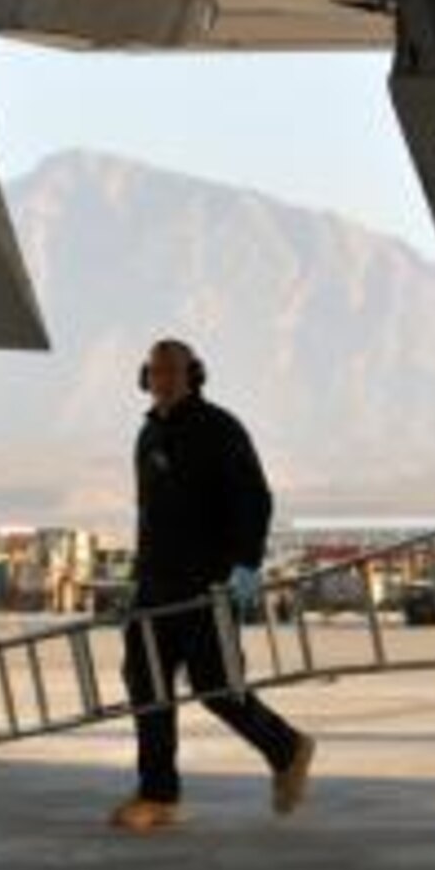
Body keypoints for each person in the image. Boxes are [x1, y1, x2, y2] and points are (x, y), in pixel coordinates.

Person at [110, 340, 316, 834]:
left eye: (171, 369)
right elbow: (150, 515)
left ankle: (286, 747)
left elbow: (255, 500)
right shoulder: (148, 436)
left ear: (193, 375)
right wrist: (138, 578)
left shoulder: (219, 429)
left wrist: (246, 566)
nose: (161, 377)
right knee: (146, 685)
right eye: (154, 369)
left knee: (217, 687)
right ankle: (158, 794)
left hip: (207, 587)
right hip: (156, 586)